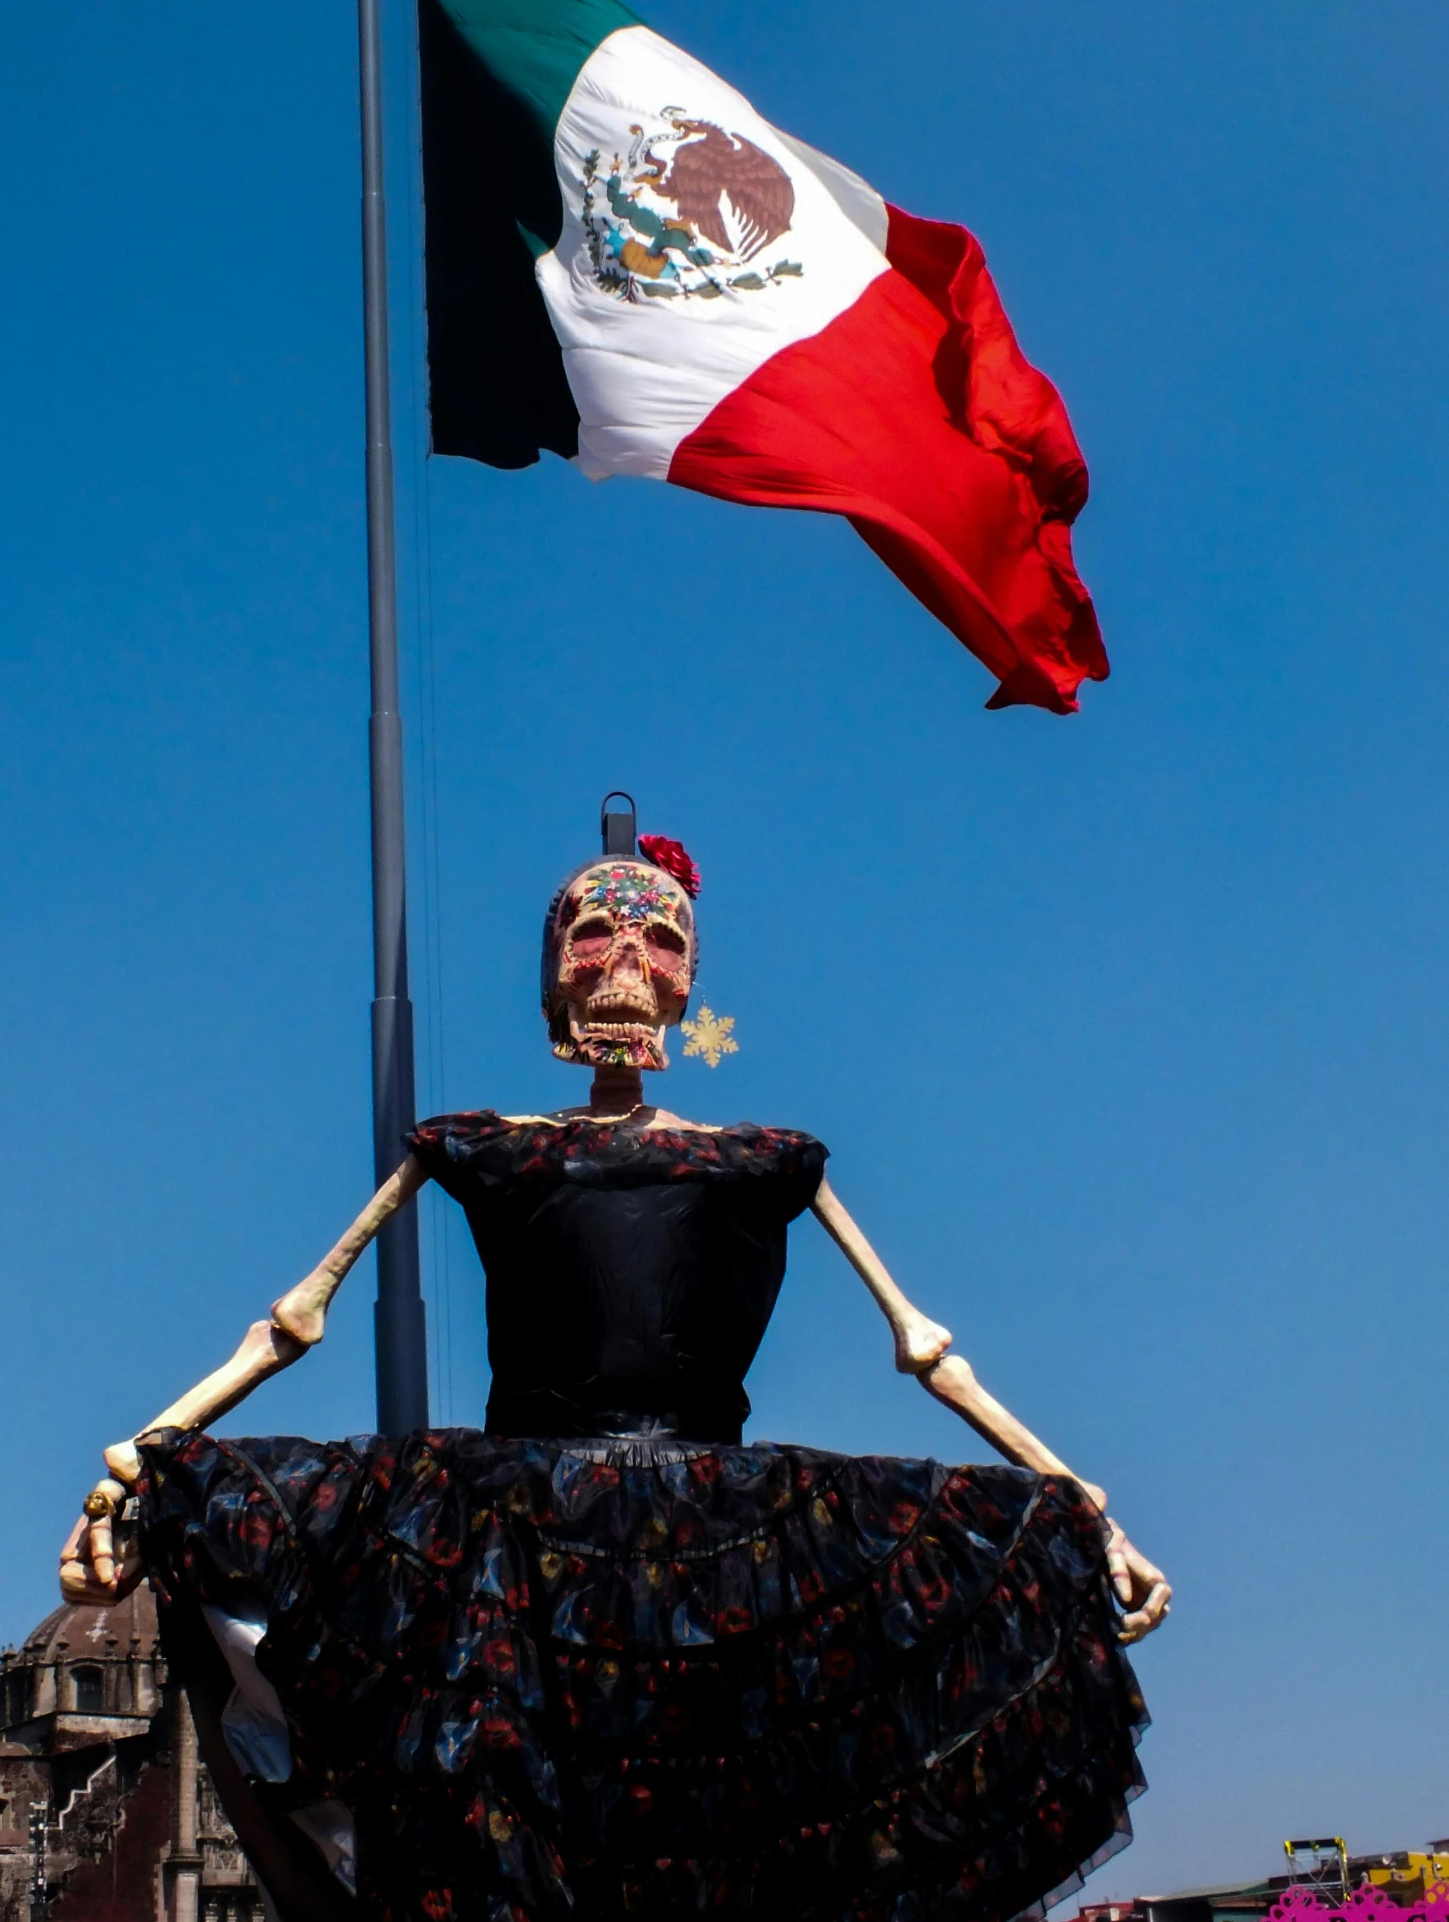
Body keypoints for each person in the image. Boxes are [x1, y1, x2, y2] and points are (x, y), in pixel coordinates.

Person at [61, 808, 1169, 1922]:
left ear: (692, 982)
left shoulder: (761, 1161)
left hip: (721, 1542)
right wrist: (139, 1466)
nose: (628, 967)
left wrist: (1090, 1514)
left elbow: (925, 1344)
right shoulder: (485, 1146)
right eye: (595, 936)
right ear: (552, 975)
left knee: (723, 1825)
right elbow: (299, 1315)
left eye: (661, 943)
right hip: (513, 1544)